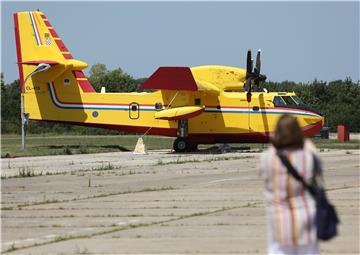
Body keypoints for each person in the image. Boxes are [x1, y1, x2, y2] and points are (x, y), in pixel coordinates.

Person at [260, 114, 323, 255]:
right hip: (306, 218)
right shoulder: (309, 156)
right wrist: (302, 139)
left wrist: (277, 141)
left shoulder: (267, 158)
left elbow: (263, 173)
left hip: (279, 220)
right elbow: (317, 167)